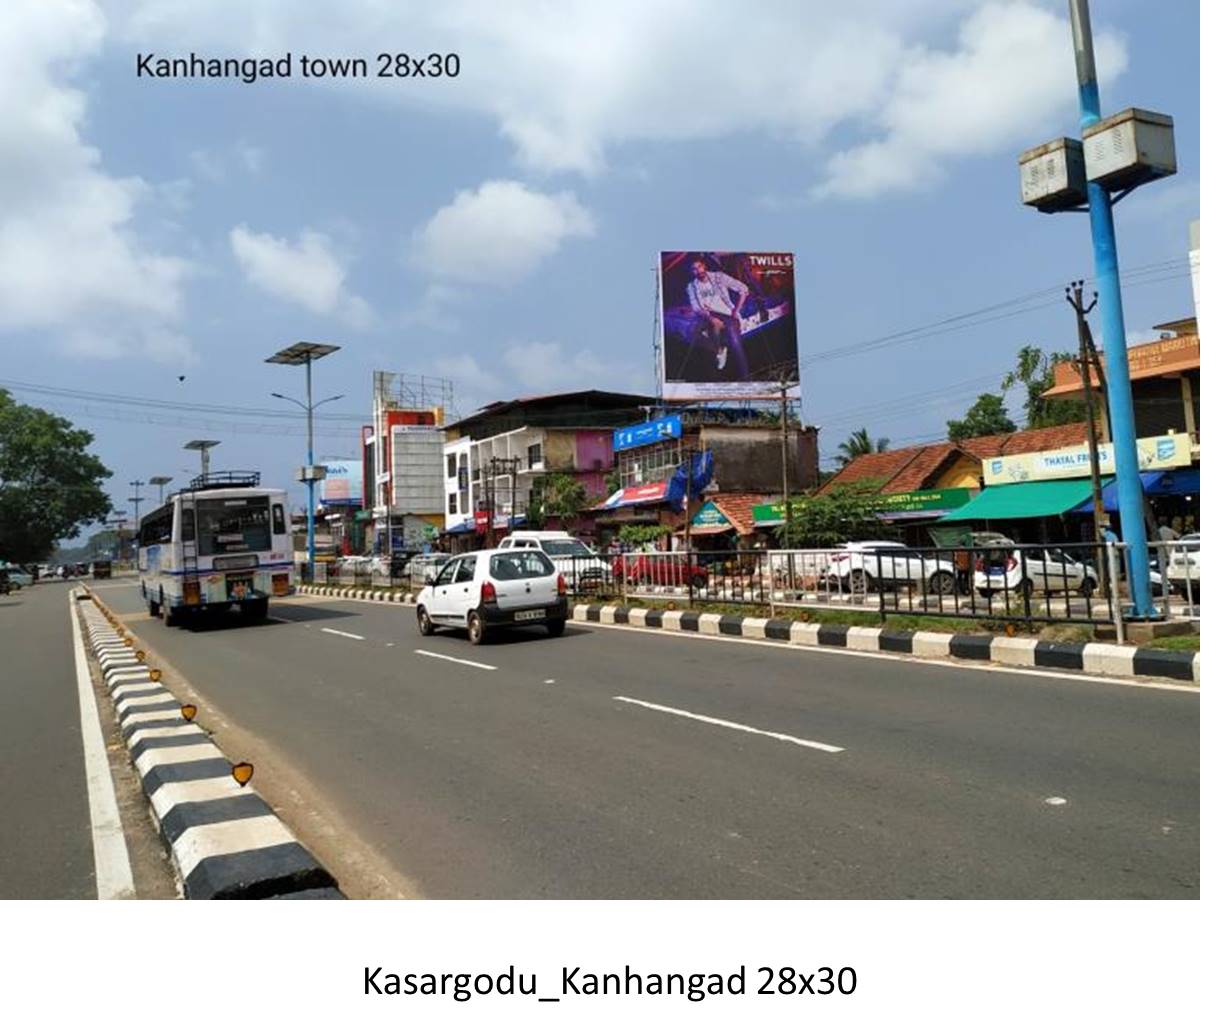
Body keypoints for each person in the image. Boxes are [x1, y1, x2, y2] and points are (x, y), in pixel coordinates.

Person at [686, 257, 750, 376]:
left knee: (734, 340)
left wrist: (736, 310)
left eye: (699, 266)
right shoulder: (691, 287)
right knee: (694, 332)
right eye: (694, 269)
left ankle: (746, 376)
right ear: (692, 272)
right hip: (708, 315)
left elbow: (744, 289)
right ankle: (720, 351)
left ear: (704, 266)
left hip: (727, 314)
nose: (698, 270)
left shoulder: (719, 277)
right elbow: (696, 308)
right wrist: (711, 318)